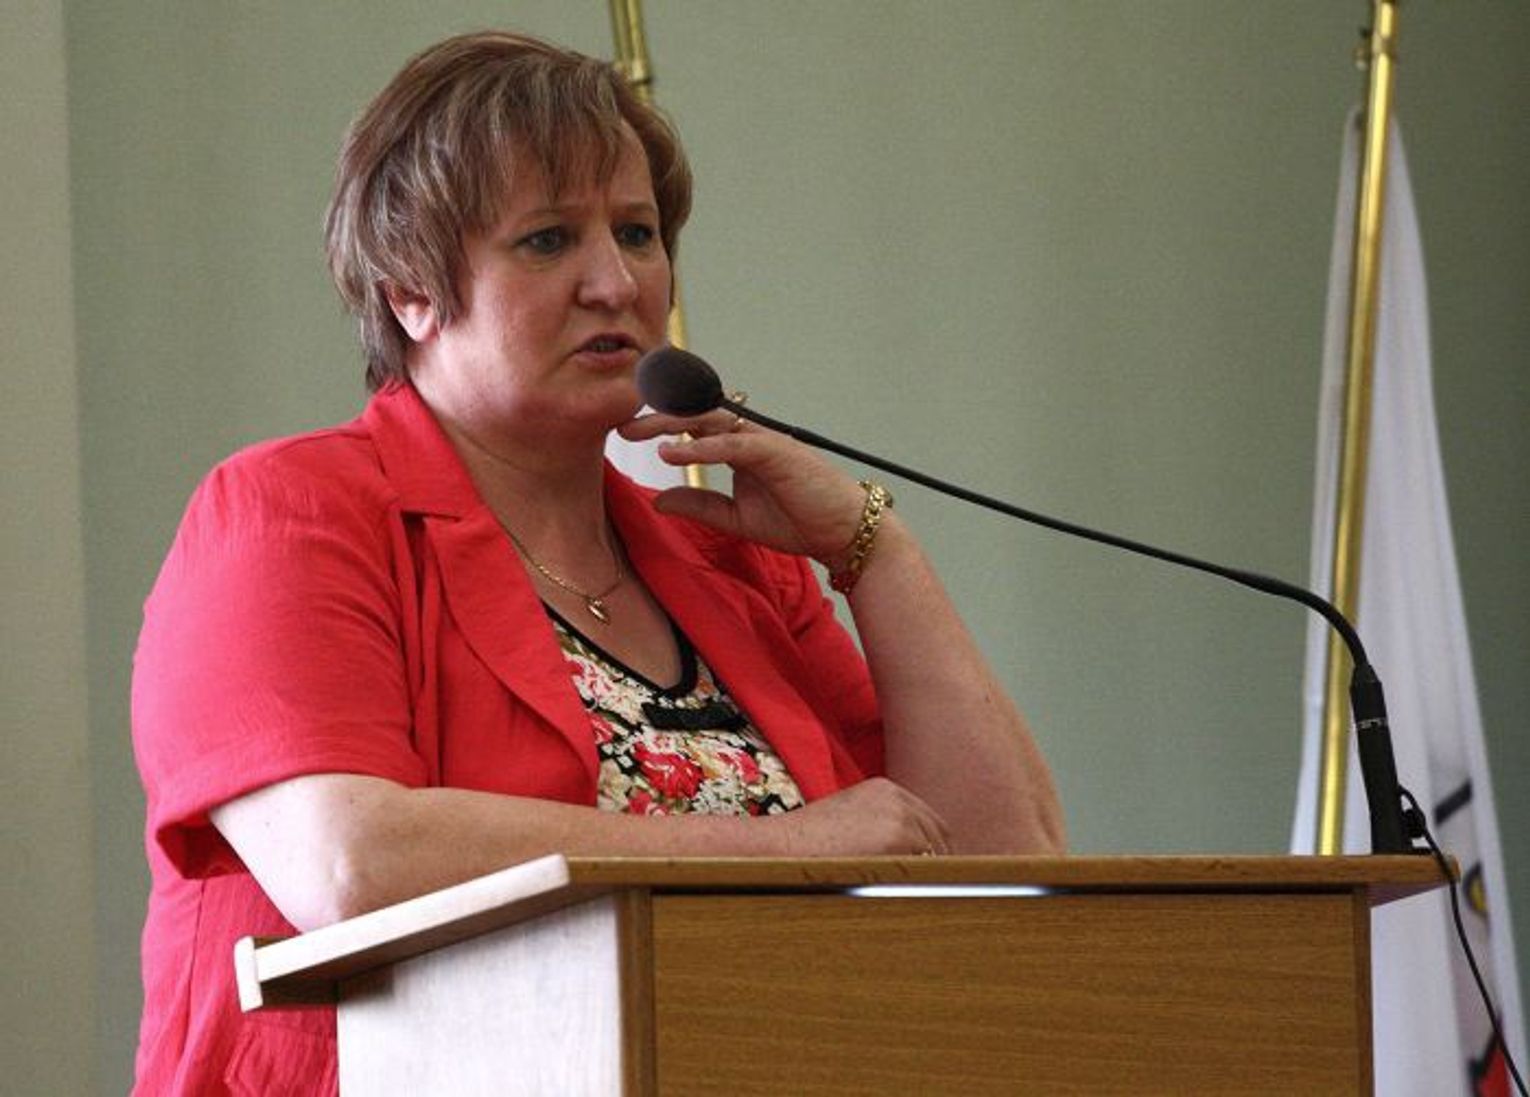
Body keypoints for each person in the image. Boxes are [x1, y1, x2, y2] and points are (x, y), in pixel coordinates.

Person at [130, 29, 1064, 1095]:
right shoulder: (291, 514)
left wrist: (872, 546)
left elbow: (1005, 867)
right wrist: (789, 849)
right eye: (547, 240)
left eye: (637, 232)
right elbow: (353, 860)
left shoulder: (726, 560)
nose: (616, 281)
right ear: (410, 291)